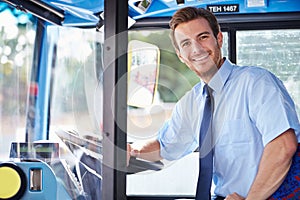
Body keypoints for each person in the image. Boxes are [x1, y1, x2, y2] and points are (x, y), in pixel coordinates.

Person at [127, 7, 300, 200]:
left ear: (219, 39)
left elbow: (283, 146)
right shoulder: (191, 103)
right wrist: (131, 150)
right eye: (186, 43)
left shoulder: (256, 83)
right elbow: (165, 145)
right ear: (180, 56)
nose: (197, 49)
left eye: (203, 37)